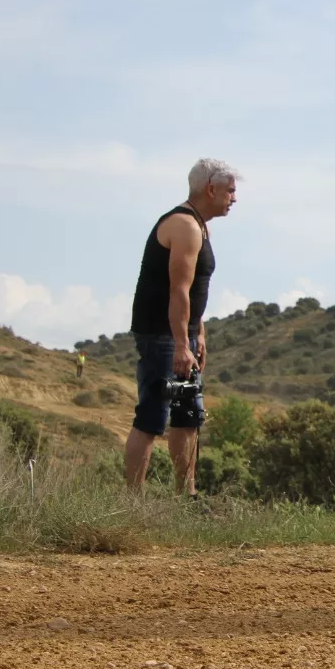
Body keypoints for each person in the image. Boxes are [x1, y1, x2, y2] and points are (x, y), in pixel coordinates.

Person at [123, 158, 240, 494]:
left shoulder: (202, 226)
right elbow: (178, 289)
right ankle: (132, 502)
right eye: (230, 191)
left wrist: (197, 334)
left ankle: (185, 497)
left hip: (181, 333)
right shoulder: (184, 225)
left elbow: (195, 289)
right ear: (211, 189)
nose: (234, 198)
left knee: (188, 413)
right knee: (152, 416)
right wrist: (180, 344)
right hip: (162, 333)